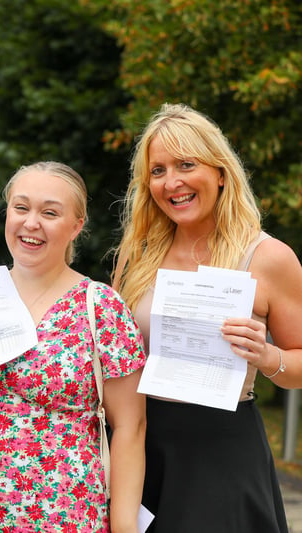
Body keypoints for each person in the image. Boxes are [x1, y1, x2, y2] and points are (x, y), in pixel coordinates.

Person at [0, 161, 147, 532]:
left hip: (64, 516)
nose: (31, 223)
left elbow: (131, 427)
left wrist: (124, 526)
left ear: (76, 226)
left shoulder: (101, 307)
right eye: (21, 207)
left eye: (50, 212)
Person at [112, 102, 302, 533]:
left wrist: (269, 356)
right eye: (157, 170)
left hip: (224, 449)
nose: (171, 182)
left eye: (185, 164)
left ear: (220, 172)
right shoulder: (137, 257)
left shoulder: (268, 257)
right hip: (140, 446)